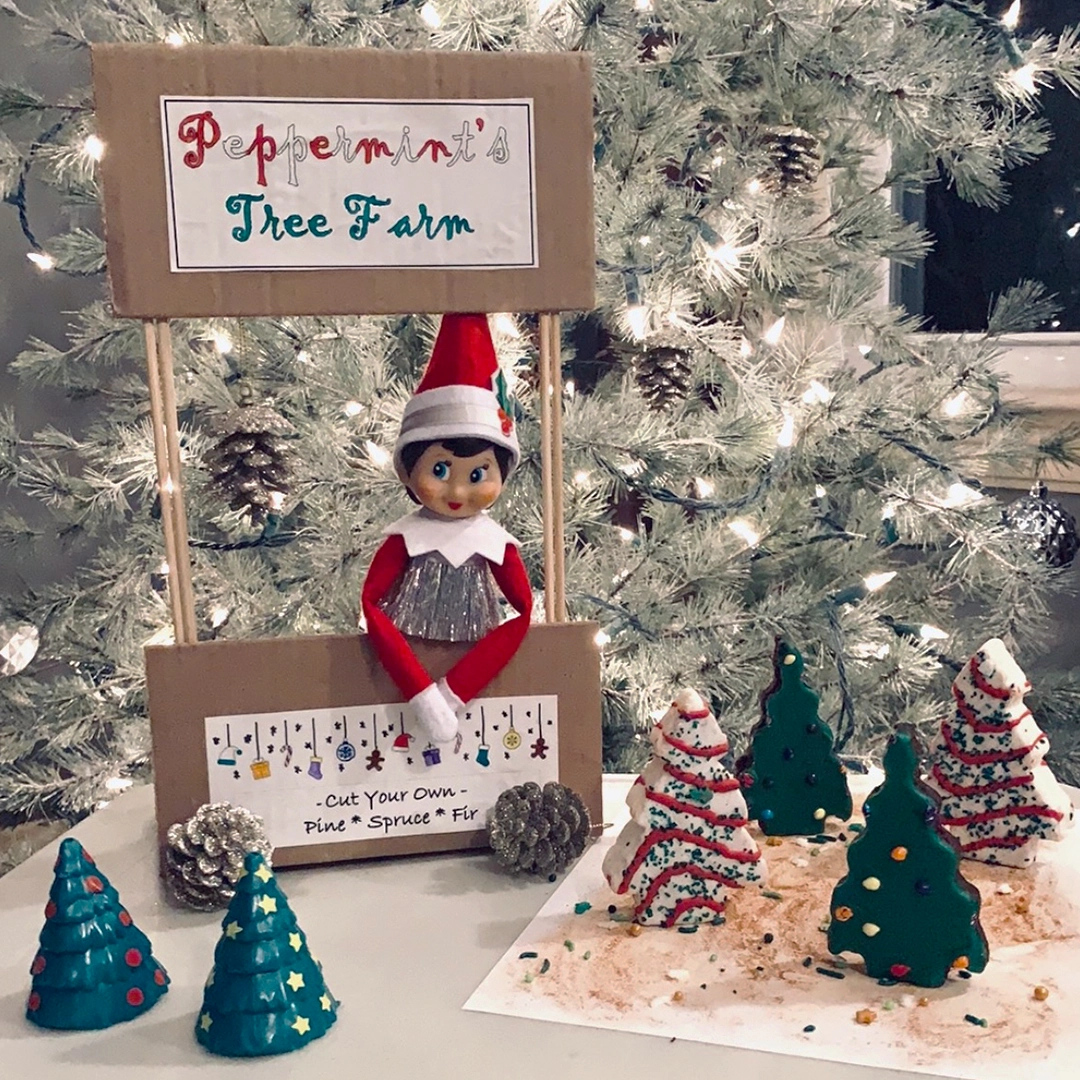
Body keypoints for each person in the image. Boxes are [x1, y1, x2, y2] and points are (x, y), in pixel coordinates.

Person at [361, 313, 532, 743]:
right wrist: (420, 692)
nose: (457, 489)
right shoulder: (407, 538)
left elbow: (523, 613)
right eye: (440, 469)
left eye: (478, 475)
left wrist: (453, 693)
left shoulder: (494, 544)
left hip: (475, 678)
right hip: (401, 674)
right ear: (407, 471)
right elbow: (372, 604)